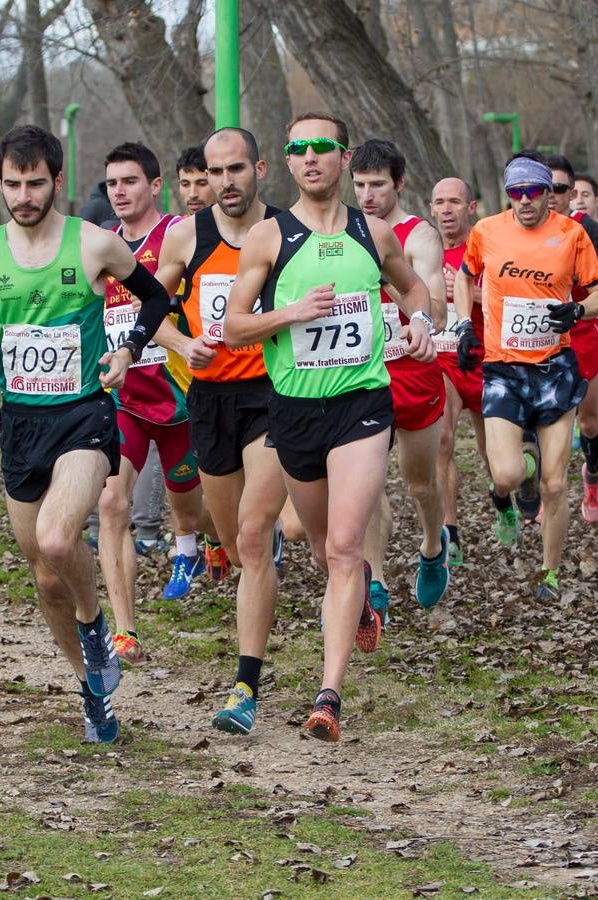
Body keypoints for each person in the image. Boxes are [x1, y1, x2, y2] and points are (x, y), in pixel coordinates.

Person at [0, 124, 181, 743]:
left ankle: (97, 624)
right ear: (1, 183)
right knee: (46, 578)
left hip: (84, 417)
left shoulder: (93, 245)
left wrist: (127, 348)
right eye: (14, 185)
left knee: (56, 540)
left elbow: (157, 300)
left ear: (56, 182)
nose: (24, 195)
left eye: (36, 183)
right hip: (20, 426)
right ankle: (89, 688)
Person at [223, 112, 435, 742]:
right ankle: (363, 593)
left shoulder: (375, 235)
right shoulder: (268, 237)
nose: (310, 157)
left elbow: (415, 291)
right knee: (321, 550)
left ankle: (329, 696)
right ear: (288, 162)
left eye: (322, 147)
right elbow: (234, 326)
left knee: (344, 547)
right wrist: (289, 313)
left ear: (344, 157)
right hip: (294, 410)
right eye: (298, 149)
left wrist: (417, 322)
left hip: (361, 403)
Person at [153, 127, 289, 735]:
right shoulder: (188, 235)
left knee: (255, 537)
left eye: (237, 170)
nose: (225, 183)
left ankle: (245, 686)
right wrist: (182, 342)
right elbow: (141, 304)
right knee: (234, 546)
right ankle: (251, 556)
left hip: (272, 394)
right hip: (209, 399)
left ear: (258, 168)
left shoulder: (287, 231)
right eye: (214, 172)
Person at [454, 154, 598, 600]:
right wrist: (466, 325)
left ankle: (549, 573)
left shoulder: (571, 234)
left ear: (548, 194)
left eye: (534, 192)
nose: (524, 201)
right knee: (503, 475)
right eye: (515, 193)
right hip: (504, 368)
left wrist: (578, 309)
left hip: (554, 369)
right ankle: (520, 472)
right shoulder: (487, 231)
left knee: (557, 483)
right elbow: (465, 279)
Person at [95, 142, 207, 666]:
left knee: (189, 500)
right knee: (112, 501)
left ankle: (195, 546)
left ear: (154, 185)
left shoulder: (177, 234)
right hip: (125, 394)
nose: (119, 191)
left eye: (129, 181)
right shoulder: (102, 246)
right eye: (111, 184)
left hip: (181, 393)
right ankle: (124, 629)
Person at [350, 139, 450, 620]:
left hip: (415, 375)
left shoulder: (419, 235)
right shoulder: (342, 233)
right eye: (360, 185)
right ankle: (376, 580)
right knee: (365, 483)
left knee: (419, 483)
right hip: (366, 375)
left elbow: (438, 308)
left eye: (377, 185)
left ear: (400, 183)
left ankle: (434, 546)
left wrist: (418, 321)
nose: (367, 195)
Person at [545, 153, 598, 522]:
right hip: (535, 336)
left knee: (589, 421)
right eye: (542, 187)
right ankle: (548, 492)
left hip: (580, 331)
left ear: (571, 192)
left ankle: (592, 475)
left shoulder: (585, 228)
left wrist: (577, 278)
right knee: (541, 420)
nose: (549, 196)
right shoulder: (517, 228)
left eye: (559, 189)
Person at [431, 177, 488, 569]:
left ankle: (504, 498)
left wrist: (467, 291)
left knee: (495, 458)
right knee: (443, 441)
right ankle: (450, 530)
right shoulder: (423, 251)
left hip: (486, 358)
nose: (447, 209)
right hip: (443, 359)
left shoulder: (486, 247)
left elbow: (511, 295)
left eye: (454, 201)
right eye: (440, 202)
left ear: (471, 208)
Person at [176, 145, 215, 214]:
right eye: (185, 185)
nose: (193, 194)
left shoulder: (236, 224)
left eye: (202, 184)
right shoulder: (176, 224)